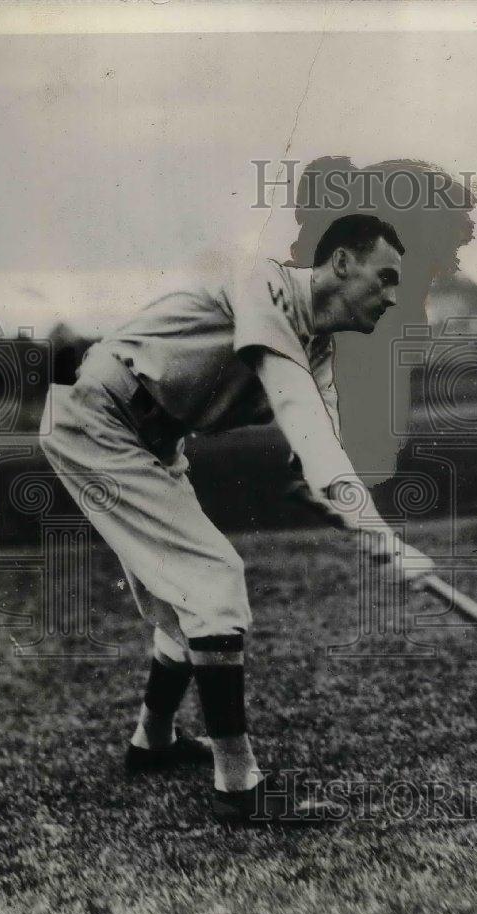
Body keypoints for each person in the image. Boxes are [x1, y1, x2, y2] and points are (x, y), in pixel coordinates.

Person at [40, 214, 435, 824]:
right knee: (214, 580)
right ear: (340, 265)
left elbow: (319, 451)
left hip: (151, 438)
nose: (390, 296)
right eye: (384, 277)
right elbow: (298, 411)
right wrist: (387, 538)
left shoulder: (317, 347)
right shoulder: (264, 287)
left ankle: (154, 742)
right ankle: (238, 788)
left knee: (184, 601)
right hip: (102, 418)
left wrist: (347, 508)